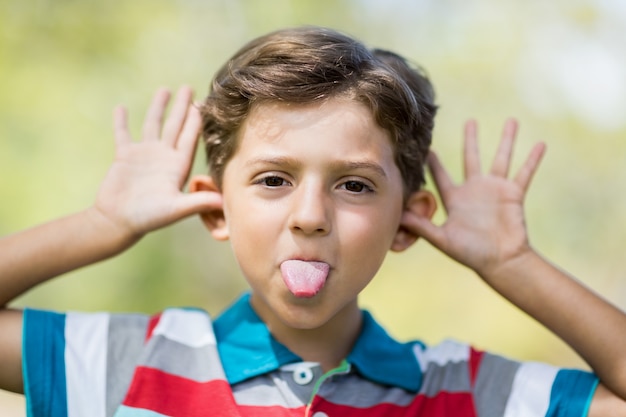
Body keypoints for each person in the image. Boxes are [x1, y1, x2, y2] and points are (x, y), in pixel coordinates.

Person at [0, 26, 625, 416]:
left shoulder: (463, 393)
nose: (309, 217)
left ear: (406, 223)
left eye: (353, 186)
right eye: (273, 180)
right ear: (215, 207)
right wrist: (101, 224)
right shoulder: (129, 364)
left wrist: (511, 265)